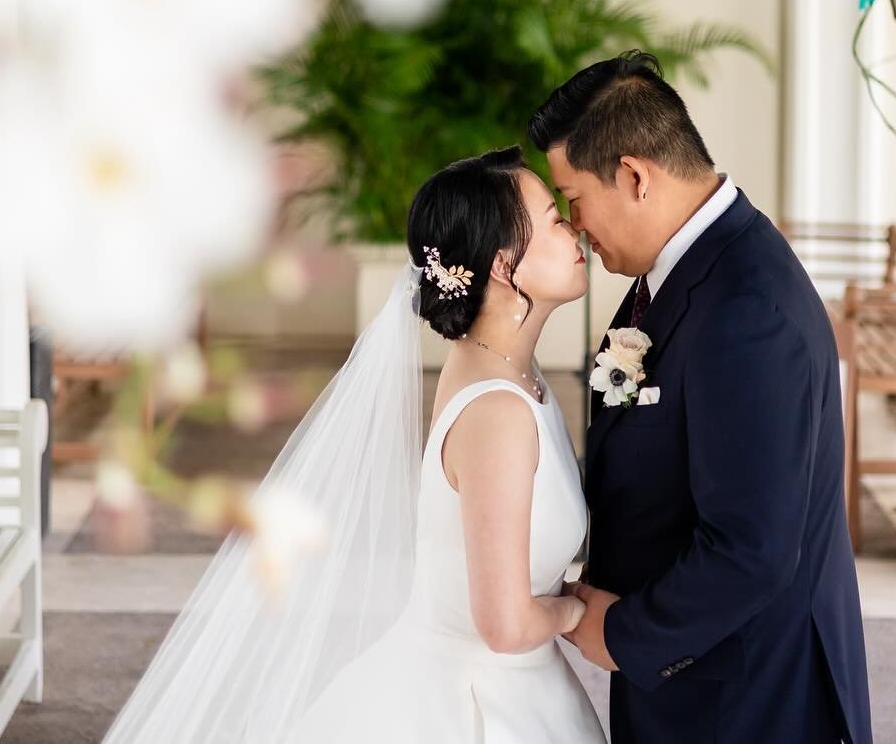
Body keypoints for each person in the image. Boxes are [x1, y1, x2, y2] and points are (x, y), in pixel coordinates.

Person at [103, 146, 607, 743]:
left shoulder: (507, 371)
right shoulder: (498, 410)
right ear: (503, 265)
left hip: (511, 684)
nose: (571, 227)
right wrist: (578, 609)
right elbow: (503, 624)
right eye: (552, 218)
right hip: (479, 707)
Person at [530, 51, 873, 744]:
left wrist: (621, 633)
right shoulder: (688, 263)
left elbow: (752, 549)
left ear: (633, 175)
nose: (574, 225)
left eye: (573, 199)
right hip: (698, 678)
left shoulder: (748, 308)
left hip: (748, 699)